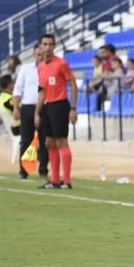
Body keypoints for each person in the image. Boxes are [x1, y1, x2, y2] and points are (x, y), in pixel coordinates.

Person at [34, 34, 78, 189]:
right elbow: (42, 91)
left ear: (54, 46)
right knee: (49, 143)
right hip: (47, 107)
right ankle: (55, 180)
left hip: (60, 105)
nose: (47, 47)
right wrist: (37, 112)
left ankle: (67, 181)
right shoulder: (40, 67)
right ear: (40, 46)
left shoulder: (61, 64)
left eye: (51, 44)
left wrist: (73, 108)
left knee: (61, 142)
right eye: (45, 44)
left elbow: (73, 85)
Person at [11, 44, 48, 179]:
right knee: (26, 140)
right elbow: (18, 89)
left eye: (42, 54)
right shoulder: (25, 68)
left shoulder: (49, 69)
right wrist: (16, 107)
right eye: (38, 54)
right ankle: (24, 170)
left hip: (45, 107)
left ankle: (43, 169)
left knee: (45, 140)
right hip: (27, 107)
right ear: (33, 55)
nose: (40, 57)